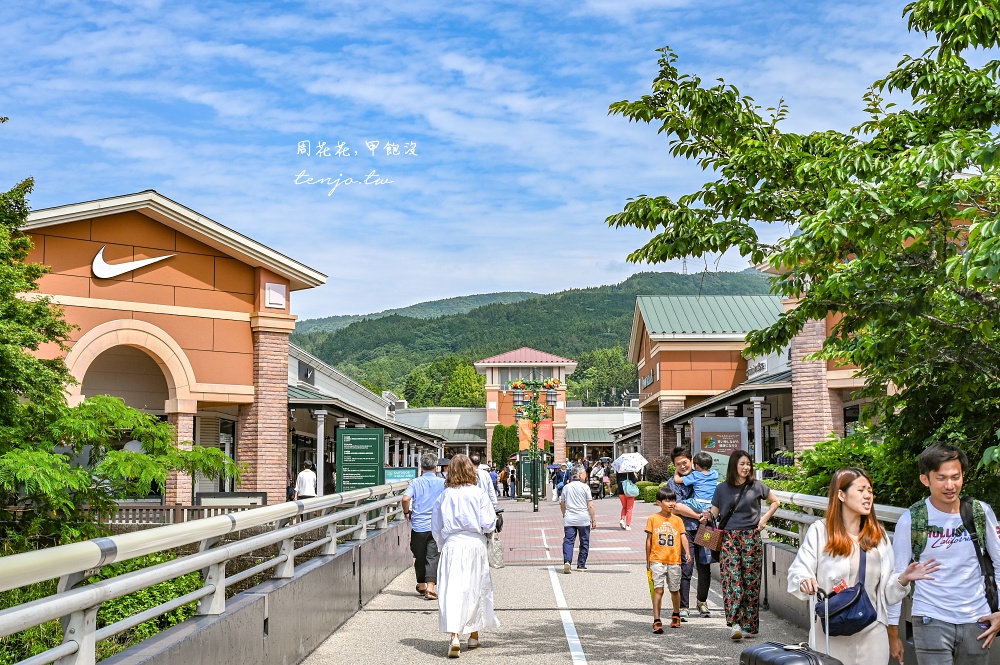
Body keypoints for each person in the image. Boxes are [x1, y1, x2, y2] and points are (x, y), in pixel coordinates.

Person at [788, 467, 941, 664]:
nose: (868, 496)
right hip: (830, 631)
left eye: (870, 490)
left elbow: (887, 593)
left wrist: (904, 578)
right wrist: (804, 580)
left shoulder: (879, 536)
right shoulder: (820, 531)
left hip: (871, 631)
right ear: (841, 495)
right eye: (861, 490)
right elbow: (799, 569)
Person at [887, 443, 1000, 665]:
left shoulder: (979, 512)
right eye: (941, 478)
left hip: (977, 619)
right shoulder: (911, 520)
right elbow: (896, 578)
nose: (950, 485)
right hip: (930, 618)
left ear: (963, 476)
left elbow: (999, 562)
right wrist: (893, 633)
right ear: (925, 480)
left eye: (955, 477)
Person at [432, 454, 500, 658]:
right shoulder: (479, 494)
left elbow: (436, 526)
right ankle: (473, 635)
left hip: (452, 544)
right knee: (475, 587)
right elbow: (489, 523)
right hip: (474, 543)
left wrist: (442, 545)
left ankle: (454, 636)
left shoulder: (444, 495)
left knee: (452, 589)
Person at [709, 450, 780, 639]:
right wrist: (704, 518)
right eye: (742, 464)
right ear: (733, 466)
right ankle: (736, 624)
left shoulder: (757, 486)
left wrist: (764, 518)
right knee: (733, 580)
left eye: (748, 464)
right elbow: (714, 514)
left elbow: (775, 501)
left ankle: (749, 625)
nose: (746, 467)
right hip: (729, 539)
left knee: (751, 583)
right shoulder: (721, 488)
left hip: (751, 537)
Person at [668, 446, 715, 620]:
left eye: (685, 462)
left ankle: (702, 602)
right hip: (685, 529)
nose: (682, 466)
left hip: (706, 529)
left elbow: (716, 501)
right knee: (686, 567)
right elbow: (677, 507)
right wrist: (698, 515)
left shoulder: (706, 478)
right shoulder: (673, 483)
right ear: (674, 465)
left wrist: (708, 515)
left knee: (705, 566)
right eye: (678, 464)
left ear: (692, 462)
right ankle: (683, 606)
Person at [402, 453, 447, 601]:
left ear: (421, 467)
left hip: (418, 525)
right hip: (435, 525)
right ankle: (430, 588)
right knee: (433, 556)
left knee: (419, 555)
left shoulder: (415, 482)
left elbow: (405, 498)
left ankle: (421, 584)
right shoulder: (442, 483)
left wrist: (407, 512)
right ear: (436, 467)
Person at [646, 487, 691, 633]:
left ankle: (676, 614)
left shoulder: (678, 520)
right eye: (667, 500)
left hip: (674, 560)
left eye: (672, 500)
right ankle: (656, 619)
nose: (671, 503)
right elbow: (649, 540)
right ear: (659, 502)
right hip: (657, 559)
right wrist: (648, 560)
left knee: (674, 590)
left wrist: (688, 552)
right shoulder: (653, 519)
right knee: (658, 590)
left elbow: (683, 536)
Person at [561, 463, 596, 573]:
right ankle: (581, 564)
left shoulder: (566, 487)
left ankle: (567, 561)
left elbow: (562, 504)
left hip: (570, 518)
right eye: (585, 474)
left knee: (568, 540)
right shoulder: (585, 487)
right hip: (583, 518)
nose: (586, 476)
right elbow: (590, 505)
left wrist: (564, 514)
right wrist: (593, 519)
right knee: (584, 541)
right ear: (580, 475)